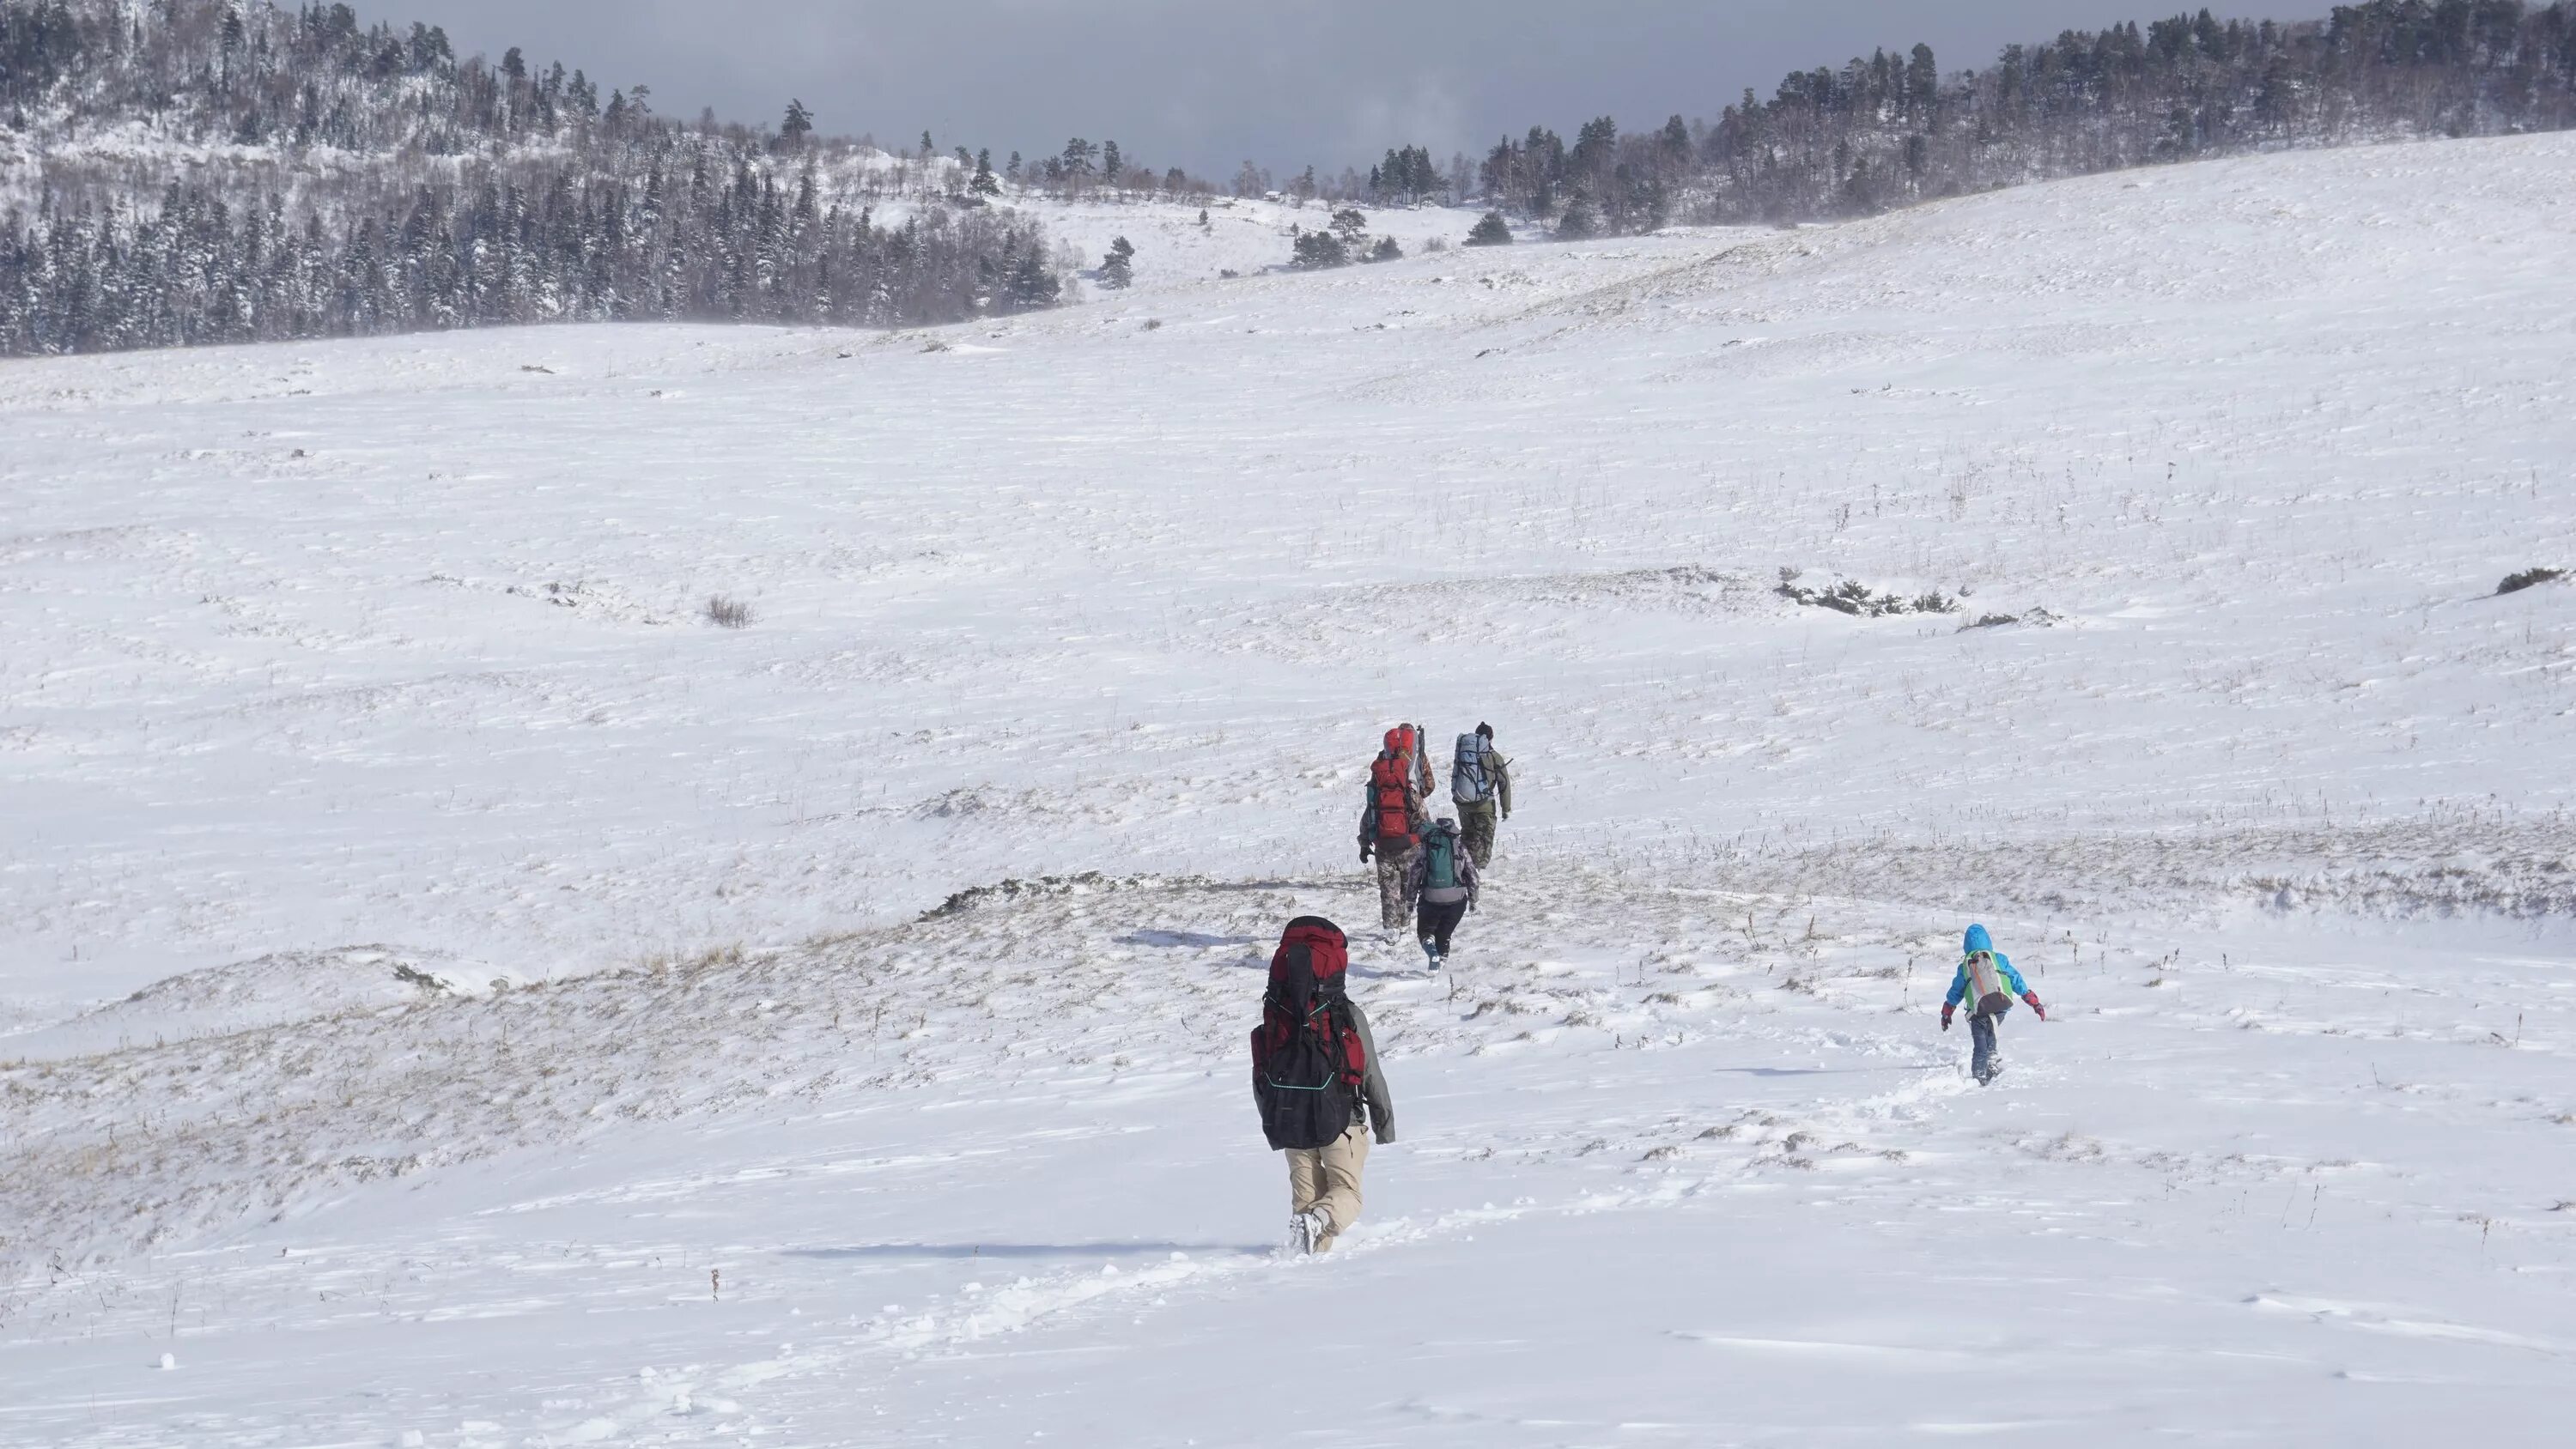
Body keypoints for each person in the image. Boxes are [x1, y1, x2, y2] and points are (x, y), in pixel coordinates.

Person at [1249, 916, 1395, 1255]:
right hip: (1342, 1120)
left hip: (1290, 1120)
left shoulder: (1276, 1014)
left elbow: (1262, 1072)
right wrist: (1384, 1125)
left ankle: (1307, 1268)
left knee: (1305, 1204)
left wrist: (1272, 1122)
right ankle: (1320, 1226)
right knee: (1346, 1194)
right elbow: (1371, 1072)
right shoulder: (1346, 1014)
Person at [1941, 924, 2046, 1085]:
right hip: (2000, 1006)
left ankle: (1978, 1077)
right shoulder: (1999, 959)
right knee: (1992, 1032)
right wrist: (2033, 1002)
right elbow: (2016, 979)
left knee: (1980, 1043)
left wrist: (1947, 1011)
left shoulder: (1965, 966)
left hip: (1977, 1011)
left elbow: (1957, 990)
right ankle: (1992, 1060)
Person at [1358, 728, 1426, 931]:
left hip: (1383, 846)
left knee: (1388, 891)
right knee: (1407, 887)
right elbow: (1421, 817)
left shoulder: (1377, 785)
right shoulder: (1408, 787)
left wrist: (1364, 844)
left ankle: (1389, 931)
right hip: (1408, 845)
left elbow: (1369, 814)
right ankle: (1405, 924)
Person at [1404, 816, 1479, 970]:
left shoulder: (1425, 848)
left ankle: (1432, 951)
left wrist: (1410, 900)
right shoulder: (1459, 847)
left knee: (1425, 932)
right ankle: (1440, 965)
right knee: (1444, 935)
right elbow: (1472, 875)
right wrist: (1473, 899)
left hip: (1430, 898)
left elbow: (1414, 876)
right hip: (1456, 901)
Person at [1449, 724, 1513, 868]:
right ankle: (1476, 871)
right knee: (1484, 840)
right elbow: (1504, 784)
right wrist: (1506, 808)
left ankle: (1462, 868)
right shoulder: (1494, 756)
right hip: (1484, 806)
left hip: (1463, 804)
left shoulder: (1465, 753)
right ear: (1490, 738)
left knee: (1467, 836)